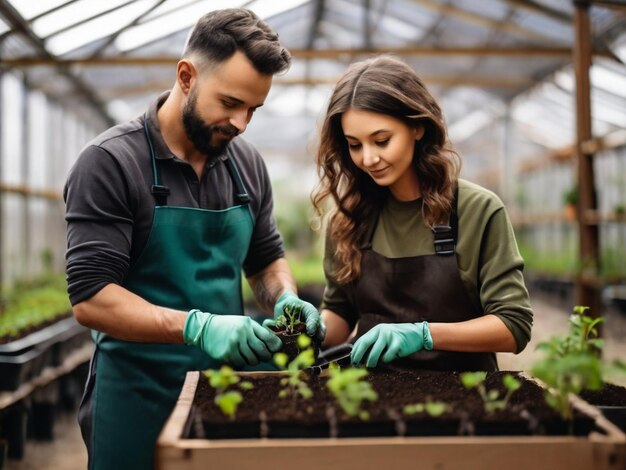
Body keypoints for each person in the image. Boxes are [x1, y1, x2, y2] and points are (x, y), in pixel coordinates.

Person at [64, 9, 324, 469]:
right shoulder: (111, 163)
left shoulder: (245, 163)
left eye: (254, 109)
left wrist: (283, 296)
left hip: (223, 390)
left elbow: (266, 259)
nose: (242, 123)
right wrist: (197, 327)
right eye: (229, 103)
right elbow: (91, 298)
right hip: (137, 394)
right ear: (186, 76)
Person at [312, 55, 532, 371]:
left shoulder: (476, 210)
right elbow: (340, 314)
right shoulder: (348, 219)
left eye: (381, 140)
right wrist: (309, 329)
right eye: (354, 145)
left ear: (417, 126)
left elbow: (514, 326)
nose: (369, 158)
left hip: (467, 403)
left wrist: (424, 334)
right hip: (370, 400)